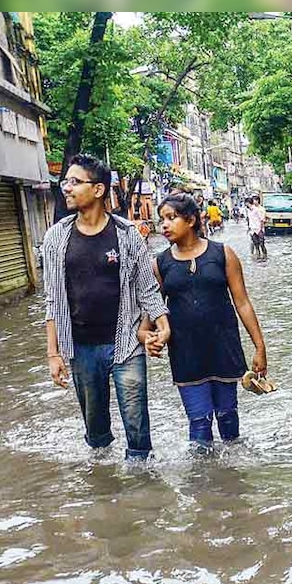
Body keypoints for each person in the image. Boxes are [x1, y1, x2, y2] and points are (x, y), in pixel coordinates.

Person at [42, 153, 170, 462]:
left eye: (74, 182)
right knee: (96, 433)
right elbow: (53, 300)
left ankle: (143, 489)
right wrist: (53, 353)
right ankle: (103, 485)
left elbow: (148, 289)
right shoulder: (56, 237)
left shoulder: (127, 235)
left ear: (98, 190)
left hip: (126, 343)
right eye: (65, 182)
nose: (66, 189)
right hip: (81, 347)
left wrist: (163, 325)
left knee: (137, 426)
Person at [140, 193, 267, 448]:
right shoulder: (160, 264)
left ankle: (232, 480)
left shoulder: (223, 254)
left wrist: (260, 347)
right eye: (161, 219)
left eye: (171, 218)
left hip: (224, 349)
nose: (164, 225)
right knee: (199, 423)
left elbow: (242, 302)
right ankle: (204, 483)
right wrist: (149, 339)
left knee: (228, 417)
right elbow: (148, 321)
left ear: (191, 220)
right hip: (186, 355)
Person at [246, 195, 267, 260]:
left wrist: (261, 229)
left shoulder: (258, 210)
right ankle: (257, 256)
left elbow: (262, 219)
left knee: (262, 244)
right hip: (252, 229)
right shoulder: (248, 211)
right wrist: (249, 228)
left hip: (258, 229)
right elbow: (249, 220)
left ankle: (265, 255)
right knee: (256, 244)